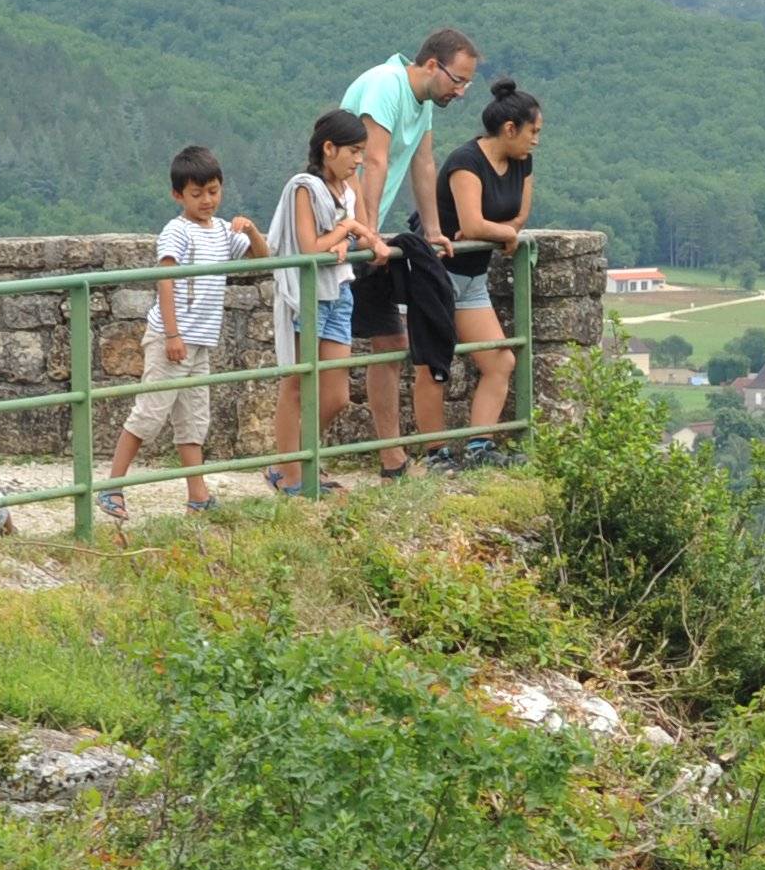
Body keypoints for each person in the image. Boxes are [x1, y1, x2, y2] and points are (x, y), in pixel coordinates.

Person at [339, 28, 482, 477]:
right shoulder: (386, 84)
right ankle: (296, 464)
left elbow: (423, 163)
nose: (460, 92)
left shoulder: (421, 103)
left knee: (391, 343)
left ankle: (392, 458)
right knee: (324, 359)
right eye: (457, 80)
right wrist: (371, 233)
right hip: (342, 231)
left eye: (466, 84)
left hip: (364, 236)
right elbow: (373, 160)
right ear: (432, 65)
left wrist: (435, 230)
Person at [100, 144, 264, 524]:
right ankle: (111, 488)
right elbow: (167, 279)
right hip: (171, 340)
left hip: (200, 342)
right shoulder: (177, 231)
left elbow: (262, 257)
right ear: (178, 195)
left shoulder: (223, 231)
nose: (207, 201)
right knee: (148, 415)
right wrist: (172, 335)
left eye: (213, 192)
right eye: (197, 194)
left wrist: (251, 229)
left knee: (193, 420)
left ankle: (198, 496)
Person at [265, 109, 385, 494]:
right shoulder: (304, 187)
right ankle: (290, 472)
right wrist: (346, 230)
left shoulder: (348, 191)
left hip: (339, 292)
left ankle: (299, 458)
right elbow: (310, 246)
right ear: (328, 148)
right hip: (310, 294)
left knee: (335, 395)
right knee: (298, 384)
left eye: (362, 151)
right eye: (353, 151)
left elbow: (364, 236)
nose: (358, 160)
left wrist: (359, 238)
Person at [435, 81, 540, 453]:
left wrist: (499, 231)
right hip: (440, 274)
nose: (536, 141)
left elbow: (520, 216)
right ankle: (434, 454)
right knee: (431, 366)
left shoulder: (522, 162)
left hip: (473, 276)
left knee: (500, 361)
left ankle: (478, 446)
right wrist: (500, 232)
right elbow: (474, 223)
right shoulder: (465, 162)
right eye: (533, 132)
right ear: (510, 129)